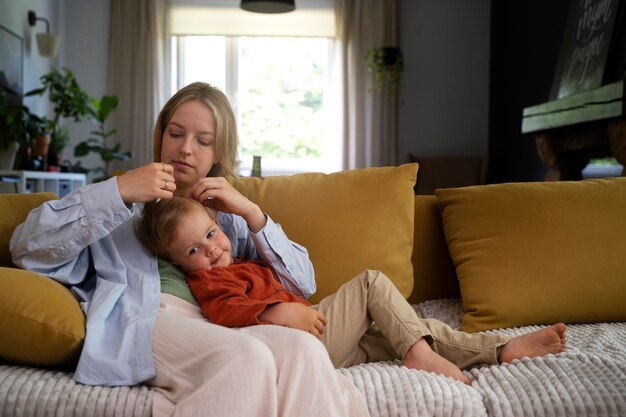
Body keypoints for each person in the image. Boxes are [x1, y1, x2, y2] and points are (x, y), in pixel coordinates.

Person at [10, 82, 370, 417]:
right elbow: (27, 247)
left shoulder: (228, 218)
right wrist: (119, 190)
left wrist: (251, 213)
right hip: (154, 320)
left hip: (223, 326)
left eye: (203, 140)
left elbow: (302, 284)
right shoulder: (122, 203)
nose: (185, 148)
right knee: (247, 357)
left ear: (219, 151)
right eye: (176, 134)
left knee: (303, 350)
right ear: (162, 134)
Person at [138, 195, 568, 386]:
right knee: (371, 282)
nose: (213, 250)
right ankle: (420, 355)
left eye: (212, 233)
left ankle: (501, 350)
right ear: (179, 262)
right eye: (195, 249)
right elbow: (224, 314)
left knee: (412, 327)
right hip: (303, 341)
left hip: (327, 340)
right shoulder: (208, 282)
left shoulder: (241, 260)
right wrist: (274, 314)